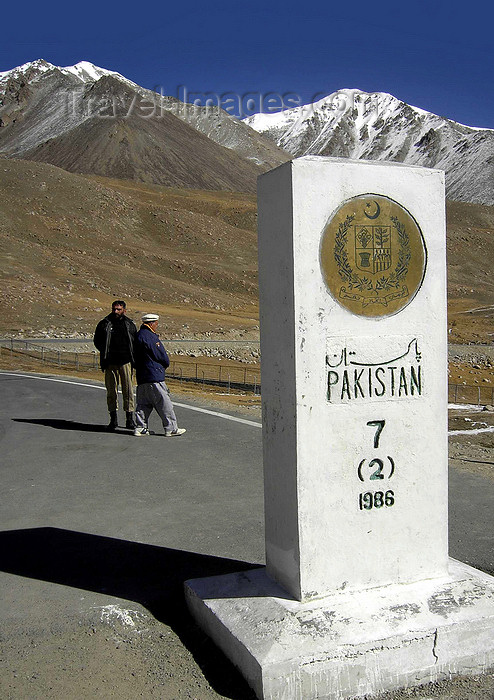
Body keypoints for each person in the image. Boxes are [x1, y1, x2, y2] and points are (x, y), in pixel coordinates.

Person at [133, 313, 186, 437]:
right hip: (154, 374)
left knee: (143, 403)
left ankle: (140, 427)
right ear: (152, 323)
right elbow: (160, 355)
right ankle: (171, 428)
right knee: (164, 403)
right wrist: (164, 364)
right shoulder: (151, 337)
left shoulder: (138, 336)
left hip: (142, 376)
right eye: (156, 323)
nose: (157, 325)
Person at [93, 300, 137, 431]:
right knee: (111, 391)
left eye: (118, 309)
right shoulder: (105, 324)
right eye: (114, 309)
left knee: (128, 390)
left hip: (125, 362)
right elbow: (97, 341)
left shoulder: (129, 324)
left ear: (124, 310)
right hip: (110, 362)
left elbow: (134, 341)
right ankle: (113, 419)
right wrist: (105, 353)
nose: (115, 312)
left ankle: (129, 419)